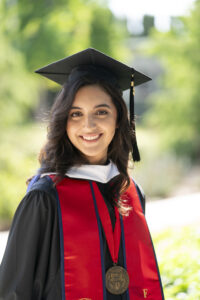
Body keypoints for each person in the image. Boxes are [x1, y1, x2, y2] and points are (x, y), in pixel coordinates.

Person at [0, 48, 164, 300]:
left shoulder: (130, 191)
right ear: (63, 121)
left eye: (101, 112)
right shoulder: (44, 198)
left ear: (118, 118)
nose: (88, 125)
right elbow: (13, 292)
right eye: (76, 114)